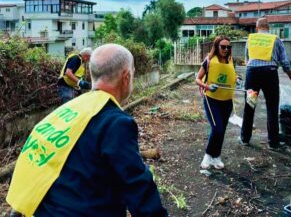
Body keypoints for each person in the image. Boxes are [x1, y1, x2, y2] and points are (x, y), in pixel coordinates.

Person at [7, 43, 168, 217]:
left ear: (92, 74)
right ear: (127, 77)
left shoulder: (67, 110)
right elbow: (137, 187)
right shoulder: (116, 123)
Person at [240, 17, 291, 150]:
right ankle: (273, 143)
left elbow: (247, 59)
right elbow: (285, 62)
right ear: (268, 27)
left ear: (256, 27)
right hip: (270, 73)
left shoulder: (250, 39)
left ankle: (245, 139)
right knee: (272, 107)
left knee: (249, 106)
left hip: (252, 73)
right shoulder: (275, 39)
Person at [196, 35, 238, 170]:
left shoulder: (231, 60)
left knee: (222, 130)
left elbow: (233, 76)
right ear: (217, 47)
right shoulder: (208, 61)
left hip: (227, 101)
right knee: (216, 128)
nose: (226, 49)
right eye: (223, 47)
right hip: (211, 100)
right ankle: (207, 155)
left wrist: (238, 80)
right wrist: (207, 87)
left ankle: (216, 156)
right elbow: (197, 78)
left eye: (228, 47)